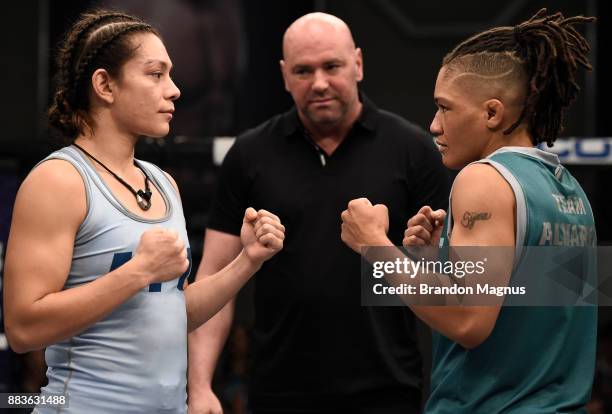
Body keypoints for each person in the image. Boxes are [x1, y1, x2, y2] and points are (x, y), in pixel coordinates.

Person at [2, 9, 284, 413]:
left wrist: (247, 261)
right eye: (155, 74)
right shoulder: (59, 180)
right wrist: (138, 272)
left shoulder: (163, 183)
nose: (174, 90)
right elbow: (24, 328)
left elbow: (172, 311)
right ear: (104, 85)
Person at [188, 12, 450, 414]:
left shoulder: (413, 151)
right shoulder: (250, 154)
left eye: (332, 66)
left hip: (387, 391)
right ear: (284, 75)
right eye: (303, 70)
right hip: (279, 392)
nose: (320, 83)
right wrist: (201, 384)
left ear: (358, 64)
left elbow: (451, 287)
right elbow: (215, 280)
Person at [340, 8, 597, 413]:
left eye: (445, 108)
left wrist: (374, 245)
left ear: (492, 113)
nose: (434, 126)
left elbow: (468, 322)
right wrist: (436, 260)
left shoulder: (483, 180)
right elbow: (522, 309)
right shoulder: (571, 192)